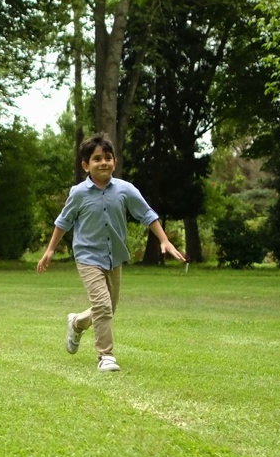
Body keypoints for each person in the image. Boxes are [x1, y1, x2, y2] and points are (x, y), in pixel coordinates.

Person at [36, 133, 186, 372]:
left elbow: (147, 214)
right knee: (103, 306)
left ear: (115, 162)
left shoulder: (125, 190)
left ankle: (76, 322)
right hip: (87, 256)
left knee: (107, 308)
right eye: (97, 159)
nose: (103, 162)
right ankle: (105, 356)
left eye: (108, 157)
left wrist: (165, 241)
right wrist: (50, 250)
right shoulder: (79, 193)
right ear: (86, 165)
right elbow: (63, 221)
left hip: (114, 256)